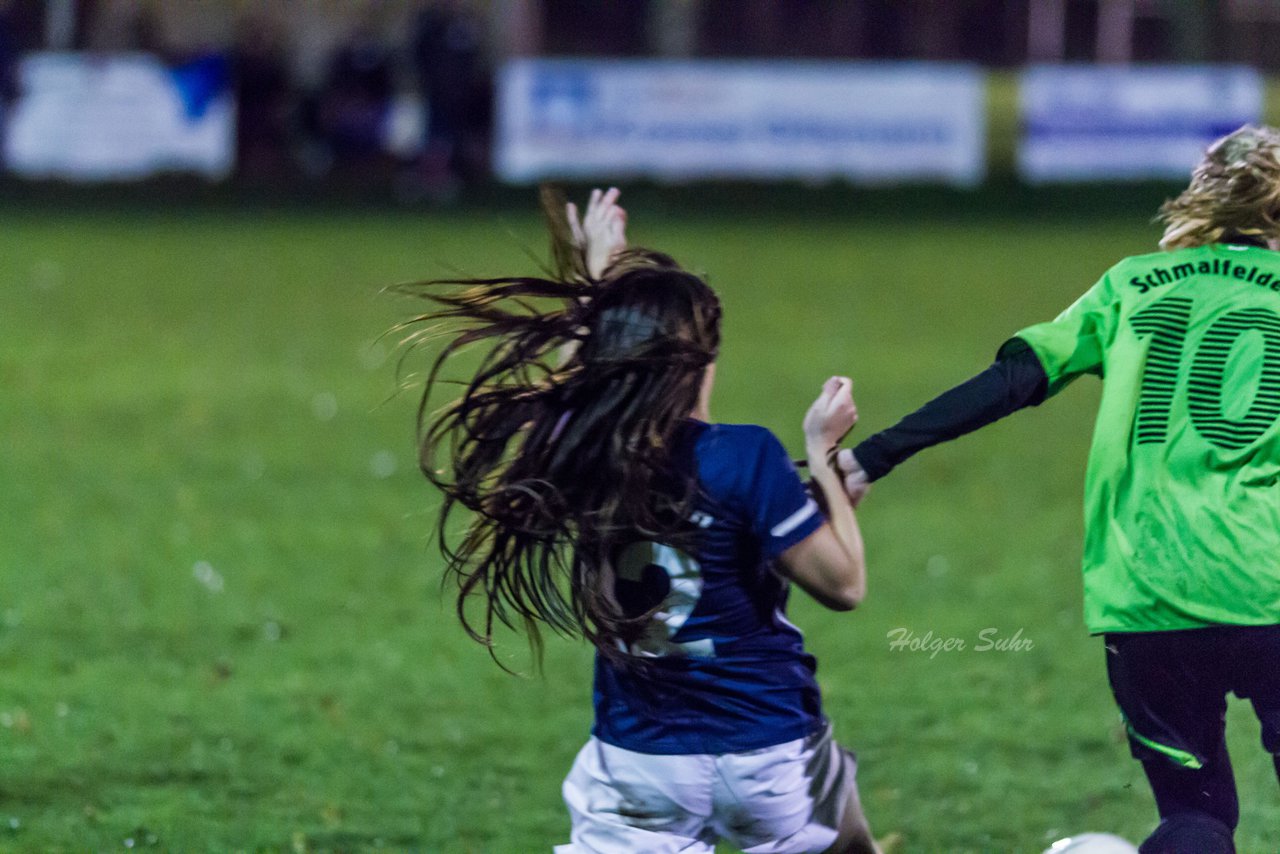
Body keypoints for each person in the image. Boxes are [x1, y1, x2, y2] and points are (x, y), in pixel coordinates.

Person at [836, 125, 1280, 854]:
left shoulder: (1132, 283)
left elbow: (1013, 381)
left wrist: (871, 458)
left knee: (1195, 818)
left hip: (1149, 594)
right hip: (1269, 586)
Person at [402, 188, 883, 853]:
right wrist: (822, 457)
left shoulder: (580, 455)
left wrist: (598, 277)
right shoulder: (744, 457)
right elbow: (846, 583)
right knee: (848, 843)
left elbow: (578, 385)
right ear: (704, 361)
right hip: (766, 755)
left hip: (641, 764)